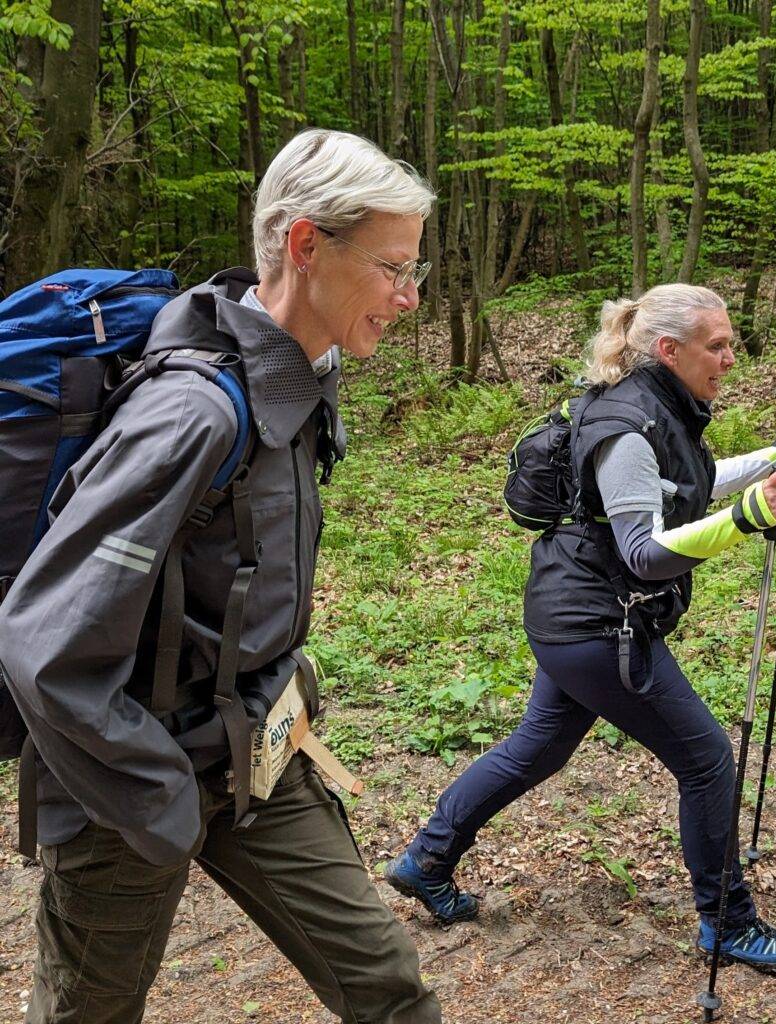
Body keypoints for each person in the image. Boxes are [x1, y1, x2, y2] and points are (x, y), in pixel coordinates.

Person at [0, 129, 442, 1023]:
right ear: (306, 243)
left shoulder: (296, 377)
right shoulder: (192, 413)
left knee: (388, 988)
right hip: (128, 780)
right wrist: (155, 796)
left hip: (255, 755)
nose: (408, 299)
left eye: (414, 272)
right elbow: (42, 638)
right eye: (395, 269)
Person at [386, 283, 776, 975]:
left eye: (731, 343)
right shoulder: (628, 424)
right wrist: (747, 518)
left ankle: (425, 861)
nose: (731, 358)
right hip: (597, 625)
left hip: (573, 612)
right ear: (670, 349)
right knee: (707, 761)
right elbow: (644, 553)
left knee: (538, 748)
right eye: (718, 346)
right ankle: (729, 924)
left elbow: (689, 484)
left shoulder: (660, 409)